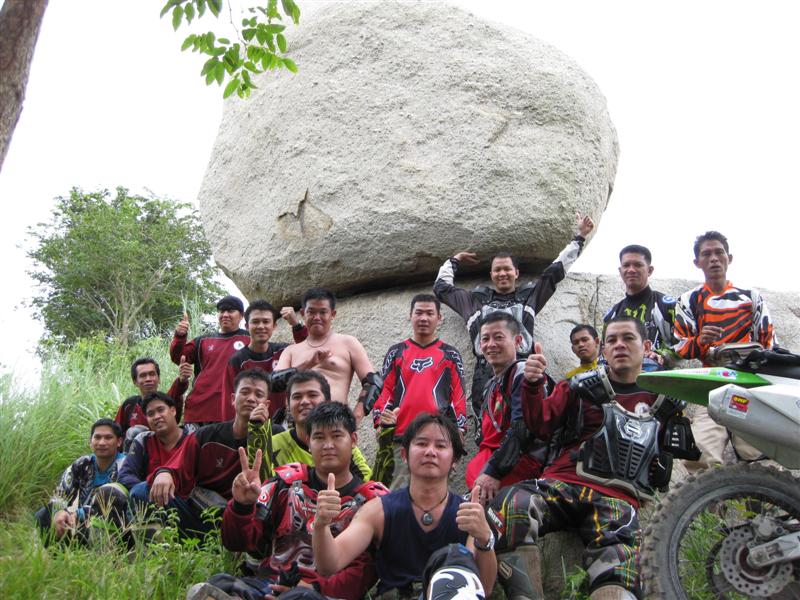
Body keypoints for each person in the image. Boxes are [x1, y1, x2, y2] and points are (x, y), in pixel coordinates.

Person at [488, 317, 694, 600]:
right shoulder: (578, 386)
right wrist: (533, 385)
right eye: (612, 340)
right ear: (603, 348)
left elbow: (666, 466)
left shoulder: (666, 402)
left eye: (628, 338)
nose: (619, 345)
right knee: (511, 505)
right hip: (564, 484)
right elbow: (541, 425)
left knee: (622, 563)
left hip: (617, 499)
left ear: (646, 346)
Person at [187, 402, 389, 600]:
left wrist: (311, 588)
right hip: (270, 585)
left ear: (353, 440)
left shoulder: (371, 501)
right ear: (308, 441)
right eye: (319, 437)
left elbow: (365, 571)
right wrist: (242, 506)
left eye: (336, 436)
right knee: (218, 585)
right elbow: (237, 543)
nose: (328, 445)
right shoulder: (285, 483)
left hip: (322, 594)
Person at [312, 412, 497, 600]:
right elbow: (330, 564)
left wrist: (484, 538)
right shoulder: (378, 511)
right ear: (404, 455)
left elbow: (484, 588)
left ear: (455, 460)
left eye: (440, 446)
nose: (430, 452)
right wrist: (321, 525)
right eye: (421, 444)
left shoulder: (467, 514)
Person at [433, 214, 594, 415]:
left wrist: (580, 237)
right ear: (491, 275)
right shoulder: (475, 302)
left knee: (527, 422)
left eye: (507, 269)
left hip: (524, 370)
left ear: (516, 273)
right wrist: (454, 260)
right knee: (488, 424)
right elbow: (441, 288)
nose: (502, 273)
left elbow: (554, 273)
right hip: (487, 374)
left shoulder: (529, 297)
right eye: (497, 270)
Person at [674, 230, 776, 469]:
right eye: (706, 254)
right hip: (710, 385)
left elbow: (770, 345)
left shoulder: (751, 298)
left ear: (729, 258)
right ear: (697, 262)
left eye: (719, 252)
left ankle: (763, 493)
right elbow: (680, 347)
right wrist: (700, 341)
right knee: (700, 455)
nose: (714, 259)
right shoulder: (689, 300)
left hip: (749, 384)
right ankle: (705, 494)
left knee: (758, 456)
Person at [465, 312, 547, 600]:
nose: (490, 344)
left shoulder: (523, 372)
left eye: (498, 337)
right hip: (495, 471)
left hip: (519, 469)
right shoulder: (491, 384)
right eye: (485, 339)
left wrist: (493, 472)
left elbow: (524, 428)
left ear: (518, 340)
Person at [146, 370, 270, 537]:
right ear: (233, 399)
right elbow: (177, 467)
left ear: (267, 404)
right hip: (205, 511)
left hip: (249, 514)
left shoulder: (275, 436)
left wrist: (258, 430)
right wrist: (165, 473)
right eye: (245, 392)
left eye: (258, 394)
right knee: (144, 491)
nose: (251, 399)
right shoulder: (206, 436)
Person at [371, 293, 467, 489]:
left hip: (437, 439)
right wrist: (379, 420)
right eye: (419, 313)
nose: (424, 318)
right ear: (410, 316)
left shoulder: (450, 354)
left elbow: (459, 394)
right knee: (396, 493)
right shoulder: (396, 352)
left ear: (439, 317)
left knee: (435, 493)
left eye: (430, 313)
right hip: (400, 437)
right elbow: (384, 389)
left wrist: (460, 429)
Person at [275, 288, 379, 425]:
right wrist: (307, 364)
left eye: (323, 312)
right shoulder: (291, 351)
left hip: (335, 423)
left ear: (332, 314)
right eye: (311, 312)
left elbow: (373, 382)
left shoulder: (348, 343)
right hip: (298, 427)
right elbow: (274, 382)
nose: (317, 317)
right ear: (303, 313)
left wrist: (355, 419)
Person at [249, 371, 372, 481]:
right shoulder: (273, 445)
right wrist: (256, 430)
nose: (304, 401)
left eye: (312, 395)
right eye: (297, 397)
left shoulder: (342, 443)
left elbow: (368, 485)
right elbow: (262, 487)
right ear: (288, 404)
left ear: (327, 401)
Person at [35, 418, 126, 543]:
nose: (102, 442)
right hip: (80, 522)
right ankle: (57, 552)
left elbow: (114, 501)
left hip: (113, 527)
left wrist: (79, 514)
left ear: (119, 442)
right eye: (97, 437)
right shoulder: (82, 464)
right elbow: (61, 494)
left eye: (108, 437)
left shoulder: (125, 465)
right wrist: (59, 511)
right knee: (44, 514)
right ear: (90, 442)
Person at [221, 299, 308, 424]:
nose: (261, 326)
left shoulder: (284, 351)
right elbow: (228, 400)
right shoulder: (237, 360)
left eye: (266, 322)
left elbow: (309, 349)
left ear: (274, 326)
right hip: (252, 426)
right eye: (255, 322)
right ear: (247, 326)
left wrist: (296, 325)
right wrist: (232, 430)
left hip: (284, 424)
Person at [170, 295, 250, 427]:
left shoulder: (249, 340)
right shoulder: (202, 341)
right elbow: (178, 357)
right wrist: (180, 336)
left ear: (241, 316)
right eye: (222, 311)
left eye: (231, 311)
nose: (225, 315)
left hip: (233, 412)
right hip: (199, 411)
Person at [602, 244, 677, 370]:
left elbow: (685, 346)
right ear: (620, 271)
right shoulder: (611, 315)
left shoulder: (667, 306)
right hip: (621, 379)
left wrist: (661, 355)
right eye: (626, 265)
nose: (631, 270)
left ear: (650, 270)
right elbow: (604, 352)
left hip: (661, 378)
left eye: (638, 265)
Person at [119, 392, 189, 514]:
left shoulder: (192, 439)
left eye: (161, 410)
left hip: (185, 502)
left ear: (173, 411)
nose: (156, 417)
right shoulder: (143, 440)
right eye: (150, 414)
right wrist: (153, 488)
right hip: (149, 500)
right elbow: (125, 475)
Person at [115, 357, 192, 451]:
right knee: (135, 432)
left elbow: (177, 390)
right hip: (135, 456)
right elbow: (116, 433)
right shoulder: (129, 405)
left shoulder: (166, 402)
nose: (148, 379)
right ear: (135, 382)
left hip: (168, 452)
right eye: (143, 375)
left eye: (152, 374)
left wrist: (182, 380)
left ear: (159, 379)